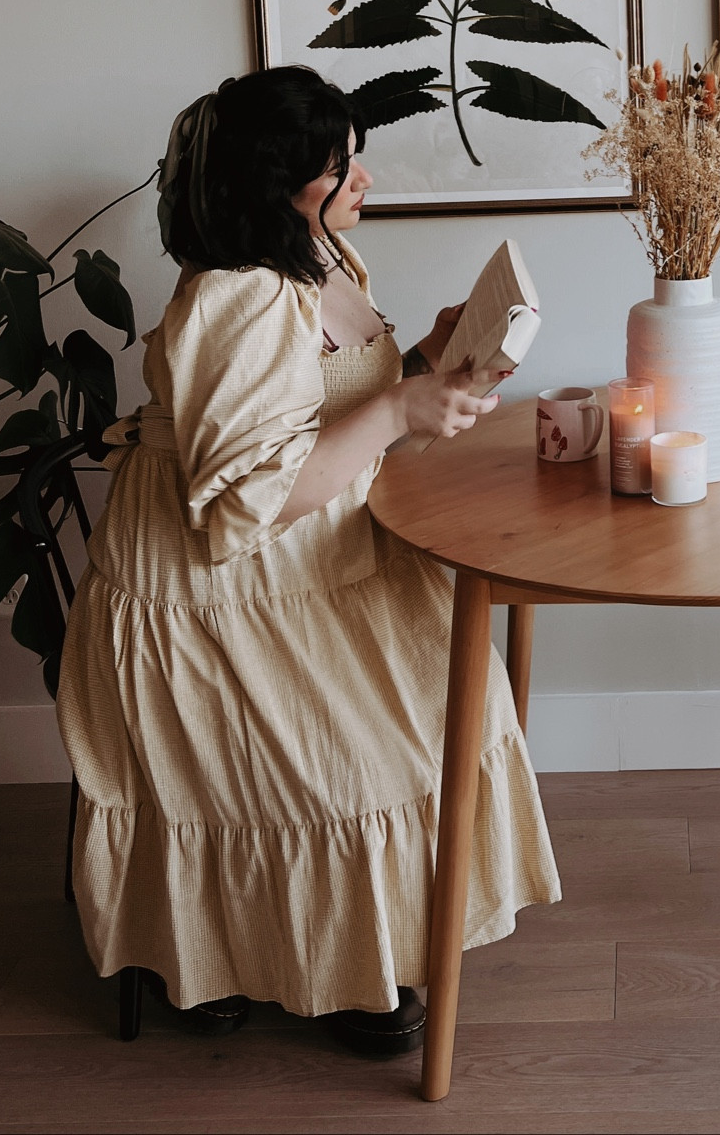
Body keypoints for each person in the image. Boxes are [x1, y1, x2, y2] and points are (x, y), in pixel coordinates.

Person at [56, 66, 560, 1055]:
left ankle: (349, 947)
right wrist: (398, 407)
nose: (360, 178)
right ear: (276, 185)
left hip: (318, 553)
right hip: (216, 585)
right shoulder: (237, 299)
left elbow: (320, 406)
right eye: (337, 167)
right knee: (352, 763)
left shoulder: (320, 256)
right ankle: (230, 952)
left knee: (448, 704)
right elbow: (245, 501)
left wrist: (427, 359)